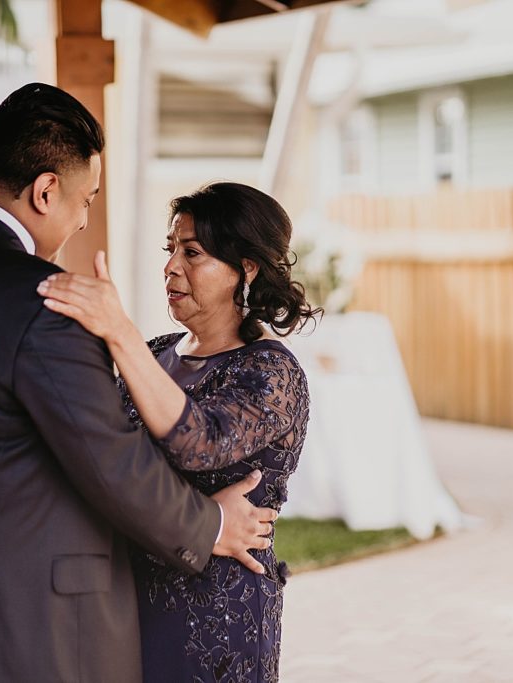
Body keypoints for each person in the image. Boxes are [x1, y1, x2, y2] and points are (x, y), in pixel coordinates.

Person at [0, 84, 278, 682]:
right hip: (22, 634)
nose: (84, 219)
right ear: (45, 191)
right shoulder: (46, 301)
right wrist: (212, 526)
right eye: (85, 200)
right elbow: (111, 462)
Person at [37, 181, 317, 682]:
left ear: (246, 268)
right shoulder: (156, 352)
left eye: (192, 253)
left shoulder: (271, 371)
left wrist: (119, 333)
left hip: (215, 616)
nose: (170, 267)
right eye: (170, 250)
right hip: (123, 601)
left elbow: (200, 442)